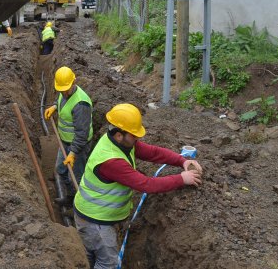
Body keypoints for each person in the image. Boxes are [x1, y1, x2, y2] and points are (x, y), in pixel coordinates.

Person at [73, 103, 203, 268]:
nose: (138, 139)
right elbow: (147, 185)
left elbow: (153, 153)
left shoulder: (119, 142)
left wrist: (182, 161)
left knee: (93, 256)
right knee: (108, 263)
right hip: (95, 222)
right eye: (134, 135)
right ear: (120, 135)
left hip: (96, 216)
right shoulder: (111, 161)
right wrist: (182, 179)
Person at [44, 66, 93, 203]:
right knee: (60, 169)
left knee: (77, 177)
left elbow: (82, 134)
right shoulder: (64, 91)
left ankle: (78, 205)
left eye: (66, 89)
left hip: (78, 146)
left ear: (74, 82)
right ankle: (69, 195)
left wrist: (73, 152)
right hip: (65, 142)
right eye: (61, 90)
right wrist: (54, 106)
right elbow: (61, 100)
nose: (64, 93)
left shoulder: (81, 104)